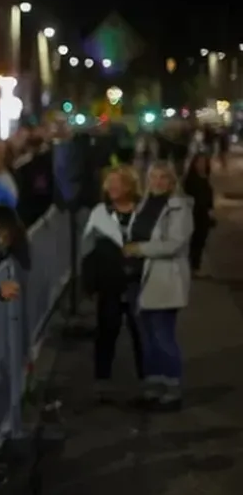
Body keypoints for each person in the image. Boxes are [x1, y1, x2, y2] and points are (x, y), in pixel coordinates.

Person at [123, 161, 193, 410]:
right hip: (140, 278)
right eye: (153, 177)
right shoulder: (145, 204)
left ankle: (172, 389)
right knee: (148, 337)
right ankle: (152, 387)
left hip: (164, 279)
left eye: (163, 177)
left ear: (172, 181)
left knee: (163, 336)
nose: (158, 182)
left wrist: (139, 249)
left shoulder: (179, 208)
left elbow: (174, 243)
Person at [82, 166, 145, 402]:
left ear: (129, 185)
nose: (112, 188)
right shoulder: (100, 213)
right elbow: (87, 251)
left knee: (141, 333)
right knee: (107, 332)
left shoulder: (143, 211)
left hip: (138, 283)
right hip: (109, 284)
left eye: (117, 183)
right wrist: (89, 284)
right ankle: (102, 380)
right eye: (109, 184)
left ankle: (147, 379)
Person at [182, 152, 215, 276]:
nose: (202, 164)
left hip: (203, 215)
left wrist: (210, 211)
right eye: (199, 162)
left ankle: (195, 266)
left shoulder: (205, 177)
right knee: (194, 241)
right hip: (193, 214)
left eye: (204, 162)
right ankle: (192, 266)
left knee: (201, 241)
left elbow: (208, 197)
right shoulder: (190, 179)